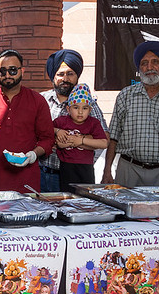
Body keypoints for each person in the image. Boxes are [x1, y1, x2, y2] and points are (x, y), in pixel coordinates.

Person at [102, 40, 159, 187]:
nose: (149, 67)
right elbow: (114, 137)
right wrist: (107, 171)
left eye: (155, 62)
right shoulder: (125, 95)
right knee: (126, 210)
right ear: (139, 68)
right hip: (129, 171)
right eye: (144, 63)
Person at [0, 49, 55, 193]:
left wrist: (33, 155)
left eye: (13, 70)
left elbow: (48, 139)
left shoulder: (37, 101)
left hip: (26, 180)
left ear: (22, 71)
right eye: (3, 71)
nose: (8, 75)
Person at [39, 49, 109, 192]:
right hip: (43, 174)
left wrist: (79, 141)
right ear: (53, 76)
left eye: (70, 74)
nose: (65, 79)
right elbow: (33, 131)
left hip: (78, 175)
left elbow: (104, 137)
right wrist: (55, 134)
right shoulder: (42, 100)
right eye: (60, 74)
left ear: (77, 75)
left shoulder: (89, 105)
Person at [52, 83, 109, 191]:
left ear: (90, 110)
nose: (80, 112)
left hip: (86, 167)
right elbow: (45, 129)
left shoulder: (93, 123)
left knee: (86, 197)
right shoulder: (62, 121)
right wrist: (58, 131)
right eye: (76, 107)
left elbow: (104, 143)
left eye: (85, 108)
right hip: (66, 167)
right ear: (68, 109)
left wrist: (81, 141)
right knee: (67, 197)